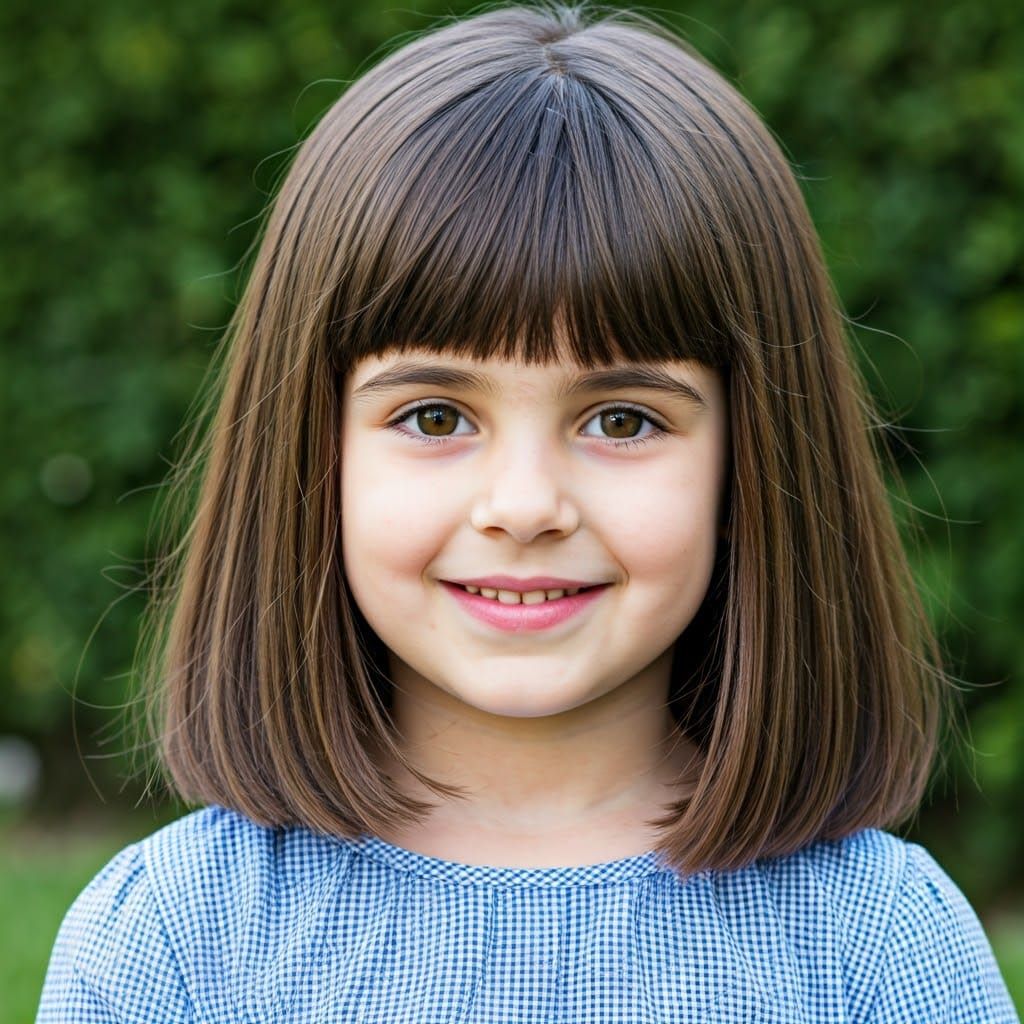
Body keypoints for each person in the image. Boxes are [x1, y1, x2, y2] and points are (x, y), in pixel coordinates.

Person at [36, 2, 1019, 1021]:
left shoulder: (877, 942)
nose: (524, 505)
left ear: (751, 461)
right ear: (309, 453)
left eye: (624, 420)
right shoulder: (179, 939)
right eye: (432, 414)